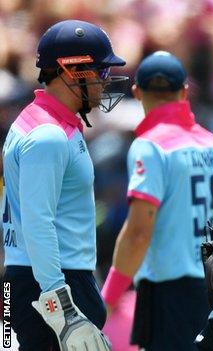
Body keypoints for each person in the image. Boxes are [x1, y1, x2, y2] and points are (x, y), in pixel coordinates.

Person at [2, 19, 127, 350]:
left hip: (29, 281)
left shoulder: (40, 123)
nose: (105, 82)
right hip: (51, 285)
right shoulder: (49, 136)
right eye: (100, 72)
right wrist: (63, 308)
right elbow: (37, 222)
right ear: (74, 72)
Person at [100, 51, 213, 350]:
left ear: (137, 92)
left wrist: (109, 298)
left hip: (170, 292)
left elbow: (139, 232)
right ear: (184, 91)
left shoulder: (149, 146)